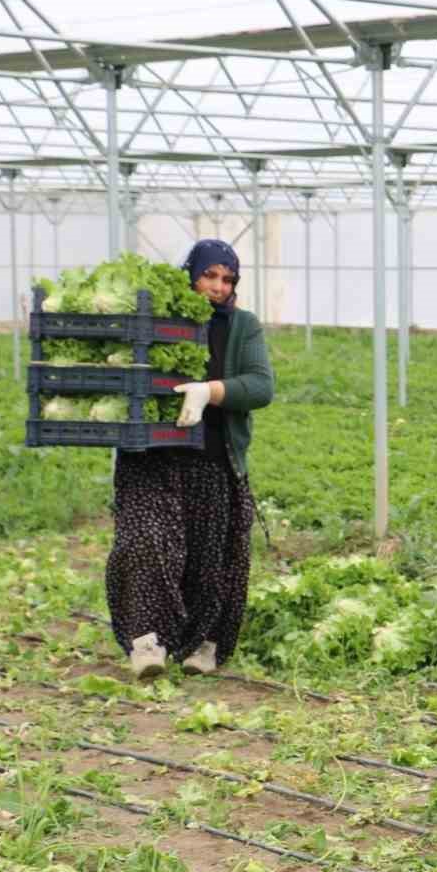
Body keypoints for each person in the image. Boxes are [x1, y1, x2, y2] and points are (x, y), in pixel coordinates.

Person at [106, 239, 275, 679]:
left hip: (213, 459)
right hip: (152, 457)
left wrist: (211, 391)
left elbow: (261, 386)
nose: (218, 287)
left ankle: (205, 643)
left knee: (211, 558)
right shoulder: (153, 319)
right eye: (209, 276)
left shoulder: (242, 326)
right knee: (143, 542)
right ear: (190, 274)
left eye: (227, 279)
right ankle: (147, 642)